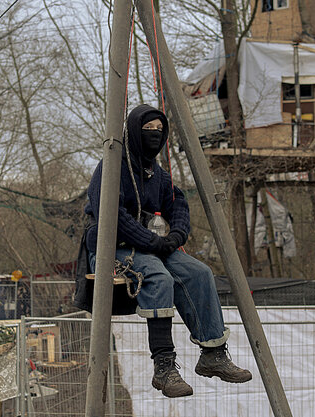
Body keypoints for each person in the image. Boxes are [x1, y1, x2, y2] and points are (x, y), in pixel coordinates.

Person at [76, 104, 252, 398]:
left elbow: (178, 204)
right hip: (112, 249)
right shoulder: (112, 167)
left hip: (152, 247)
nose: (155, 135)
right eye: (148, 130)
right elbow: (112, 215)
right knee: (158, 277)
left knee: (199, 272)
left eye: (160, 130)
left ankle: (213, 354)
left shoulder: (156, 174)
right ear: (134, 131)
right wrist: (151, 241)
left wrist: (177, 235)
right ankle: (164, 367)